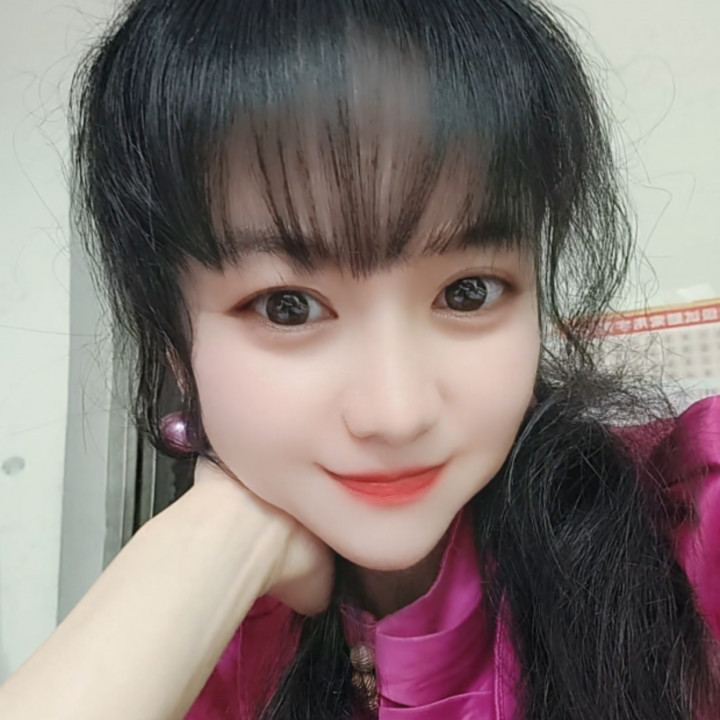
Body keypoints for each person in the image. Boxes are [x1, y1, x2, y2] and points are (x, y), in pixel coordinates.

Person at [1, 0, 719, 719]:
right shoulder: (191, 648)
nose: (396, 414)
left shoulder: (689, 523)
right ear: (175, 350)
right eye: (288, 307)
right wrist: (217, 536)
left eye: (467, 292)